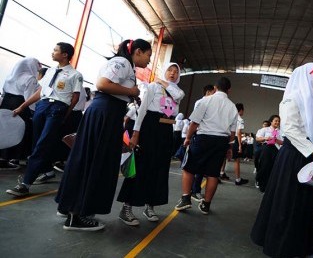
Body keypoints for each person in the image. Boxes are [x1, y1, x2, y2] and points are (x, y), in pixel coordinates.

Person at [251, 62, 313, 257]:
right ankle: (285, 249)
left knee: (309, 209)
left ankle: (306, 249)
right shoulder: (291, 100)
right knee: (290, 208)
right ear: (311, 77)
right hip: (295, 161)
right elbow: (292, 131)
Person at [55, 39, 150, 231]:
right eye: (148, 54)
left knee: (87, 158)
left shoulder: (125, 65)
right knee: (94, 161)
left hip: (107, 112)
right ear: (138, 51)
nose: (149, 59)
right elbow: (103, 84)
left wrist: (128, 94)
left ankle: (71, 206)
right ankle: (77, 216)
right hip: (106, 113)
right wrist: (131, 90)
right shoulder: (122, 63)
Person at [6, 43, 83, 196]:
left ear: (65, 54)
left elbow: (75, 98)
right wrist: (22, 106)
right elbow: (40, 91)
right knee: (37, 144)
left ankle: (25, 184)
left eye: (55, 50)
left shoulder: (76, 75)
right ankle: (47, 170)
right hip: (42, 106)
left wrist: (64, 115)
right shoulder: (50, 71)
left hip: (58, 108)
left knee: (42, 144)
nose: (52, 52)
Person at [117, 62, 185, 226]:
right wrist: (136, 133)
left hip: (166, 129)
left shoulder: (175, 91)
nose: (172, 73)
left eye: (176, 72)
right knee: (141, 167)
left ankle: (150, 206)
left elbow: (179, 94)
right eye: (169, 70)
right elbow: (142, 112)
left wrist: (164, 83)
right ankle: (126, 208)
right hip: (149, 127)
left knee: (159, 168)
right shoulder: (152, 87)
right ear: (164, 71)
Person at [174, 77, 238, 215]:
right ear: (229, 90)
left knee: (189, 168)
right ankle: (206, 205)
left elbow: (194, 122)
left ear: (215, 88)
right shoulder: (233, 107)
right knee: (213, 174)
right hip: (221, 141)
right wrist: (229, 148)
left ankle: (185, 199)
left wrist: (188, 138)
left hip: (203, 138)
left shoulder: (206, 100)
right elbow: (232, 132)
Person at [0, 57, 41, 170]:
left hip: (6, 103)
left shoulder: (10, 76)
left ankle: (3, 158)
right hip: (20, 105)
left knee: (4, 131)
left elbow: (3, 92)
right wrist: (33, 111)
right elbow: (29, 97)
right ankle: (14, 158)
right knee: (18, 132)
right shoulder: (30, 78)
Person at [191, 84, 215, 202]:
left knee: (200, 164)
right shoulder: (202, 102)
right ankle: (194, 190)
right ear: (208, 92)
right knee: (198, 164)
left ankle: (194, 190)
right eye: (213, 92)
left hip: (202, 135)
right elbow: (195, 120)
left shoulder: (207, 103)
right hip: (200, 135)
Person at [221, 103, 248, 185]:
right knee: (236, 160)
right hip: (235, 139)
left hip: (226, 137)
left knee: (223, 157)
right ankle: (238, 179)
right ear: (241, 110)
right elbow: (239, 133)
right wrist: (240, 145)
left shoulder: (229, 117)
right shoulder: (240, 119)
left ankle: (221, 173)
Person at [255, 114, 283, 192]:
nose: (277, 122)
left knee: (272, 168)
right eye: (276, 121)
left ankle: (268, 185)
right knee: (264, 166)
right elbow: (257, 138)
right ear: (271, 121)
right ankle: (260, 182)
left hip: (276, 150)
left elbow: (283, 143)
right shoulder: (265, 129)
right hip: (267, 148)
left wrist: (276, 140)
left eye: (278, 121)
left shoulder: (280, 132)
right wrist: (265, 138)